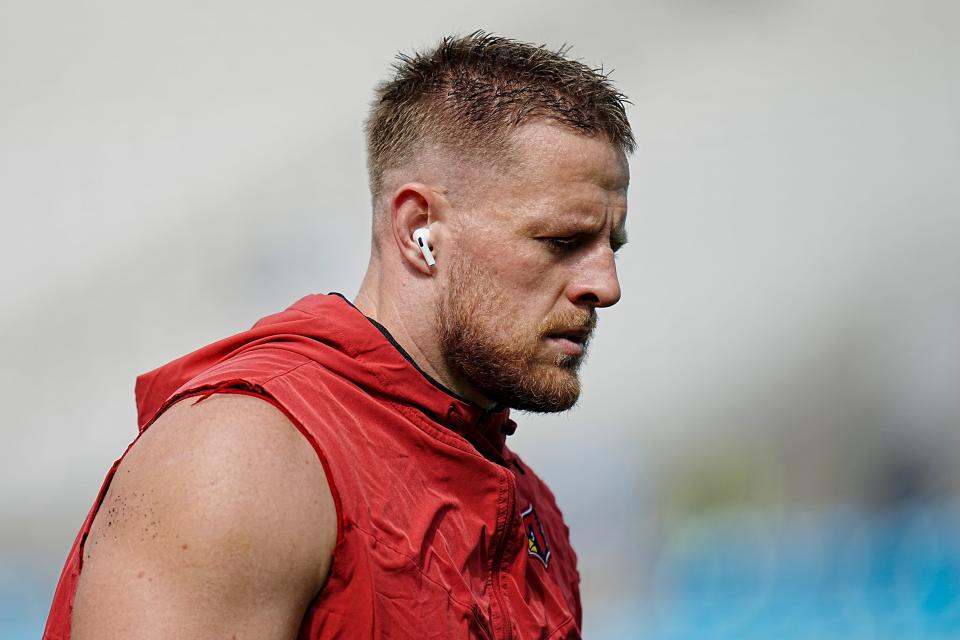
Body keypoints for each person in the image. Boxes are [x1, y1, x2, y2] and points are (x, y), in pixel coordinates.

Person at [44, 31, 633, 639]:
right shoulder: (247, 459)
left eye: (609, 247)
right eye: (563, 242)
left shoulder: (528, 508)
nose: (607, 285)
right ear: (418, 227)